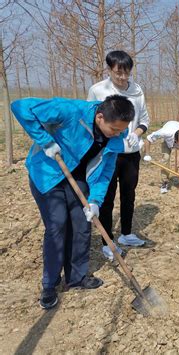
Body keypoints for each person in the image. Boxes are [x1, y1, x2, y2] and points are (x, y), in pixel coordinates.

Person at [11, 95, 135, 309]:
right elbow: (21, 107)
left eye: (121, 130)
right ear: (99, 117)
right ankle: (50, 284)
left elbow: (105, 173)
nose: (118, 134)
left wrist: (95, 200)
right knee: (57, 225)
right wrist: (45, 141)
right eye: (114, 129)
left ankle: (77, 277)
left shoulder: (116, 137)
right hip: (48, 173)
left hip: (78, 178)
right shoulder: (70, 110)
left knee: (82, 224)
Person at [87, 50, 150, 260]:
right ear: (109, 69)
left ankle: (126, 233)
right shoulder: (98, 90)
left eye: (127, 73)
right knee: (107, 196)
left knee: (129, 193)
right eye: (118, 73)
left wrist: (136, 133)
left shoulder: (138, 91)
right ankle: (107, 241)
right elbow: (91, 121)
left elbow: (144, 120)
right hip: (108, 153)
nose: (123, 78)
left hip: (131, 153)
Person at [143, 121, 179, 193]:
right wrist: (147, 154)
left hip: (177, 134)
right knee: (165, 158)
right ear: (176, 140)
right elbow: (148, 139)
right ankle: (165, 182)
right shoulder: (165, 132)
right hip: (167, 140)